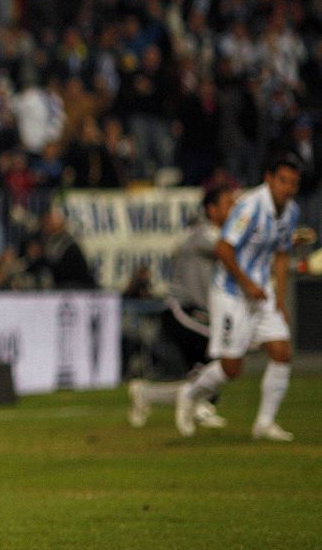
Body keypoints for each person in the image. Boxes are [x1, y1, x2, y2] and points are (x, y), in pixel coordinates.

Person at [176, 152, 303, 441]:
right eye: (283, 181)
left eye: (293, 183)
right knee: (232, 368)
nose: (288, 188)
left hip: (261, 292)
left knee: (282, 352)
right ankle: (190, 392)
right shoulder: (249, 207)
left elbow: (282, 256)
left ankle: (264, 423)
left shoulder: (291, 212)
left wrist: (279, 300)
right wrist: (247, 284)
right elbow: (223, 248)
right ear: (269, 179)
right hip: (232, 292)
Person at [127, 176, 237, 429]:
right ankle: (198, 406)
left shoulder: (215, 235)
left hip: (200, 312)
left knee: (205, 372)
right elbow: (228, 250)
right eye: (228, 204)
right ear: (212, 209)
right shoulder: (202, 234)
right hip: (181, 309)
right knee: (221, 350)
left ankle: (146, 394)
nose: (234, 210)